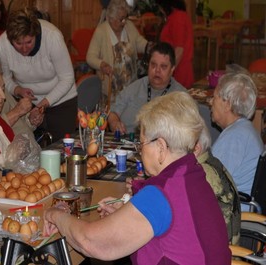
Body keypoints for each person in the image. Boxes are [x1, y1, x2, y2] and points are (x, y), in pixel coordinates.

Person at [44, 91, 231, 264]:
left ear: (161, 147)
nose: (140, 152)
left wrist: (56, 215)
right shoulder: (193, 175)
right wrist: (129, 212)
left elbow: (90, 241)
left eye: (142, 145)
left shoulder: (162, 194)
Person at [0, 7, 77, 142]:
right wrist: (18, 90)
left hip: (62, 100)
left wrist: (43, 104)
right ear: (10, 40)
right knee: (31, 148)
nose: (24, 48)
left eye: (29, 42)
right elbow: (4, 78)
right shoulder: (3, 44)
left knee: (62, 148)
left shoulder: (52, 37)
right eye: (18, 43)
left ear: (36, 34)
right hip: (27, 103)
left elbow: (67, 78)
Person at [107, 42, 185, 134]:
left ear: (172, 69)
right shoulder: (136, 87)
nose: (157, 71)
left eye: (163, 67)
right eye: (153, 65)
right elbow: (112, 112)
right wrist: (114, 123)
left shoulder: (181, 96)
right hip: (126, 141)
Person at [211, 73, 264, 199]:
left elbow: (211, 183)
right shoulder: (245, 130)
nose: (210, 102)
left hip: (237, 211)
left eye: (214, 98)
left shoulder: (233, 138)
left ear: (227, 105)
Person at [86, 0, 148, 99]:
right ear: (111, 18)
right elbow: (90, 57)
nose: (124, 22)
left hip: (131, 85)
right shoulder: (101, 31)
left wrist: (148, 46)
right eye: (121, 19)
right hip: (111, 89)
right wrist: (102, 64)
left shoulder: (129, 26)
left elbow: (138, 42)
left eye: (125, 18)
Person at [194, 125, 241, 245]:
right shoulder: (214, 162)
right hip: (231, 245)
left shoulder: (200, 175)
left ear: (196, 148)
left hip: (220, 252)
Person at [155, 0, 194, 89]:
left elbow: (179, 50)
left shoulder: (178, 17)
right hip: (176, 69)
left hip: (179, 71)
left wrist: (167, 70)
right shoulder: (176, 16)